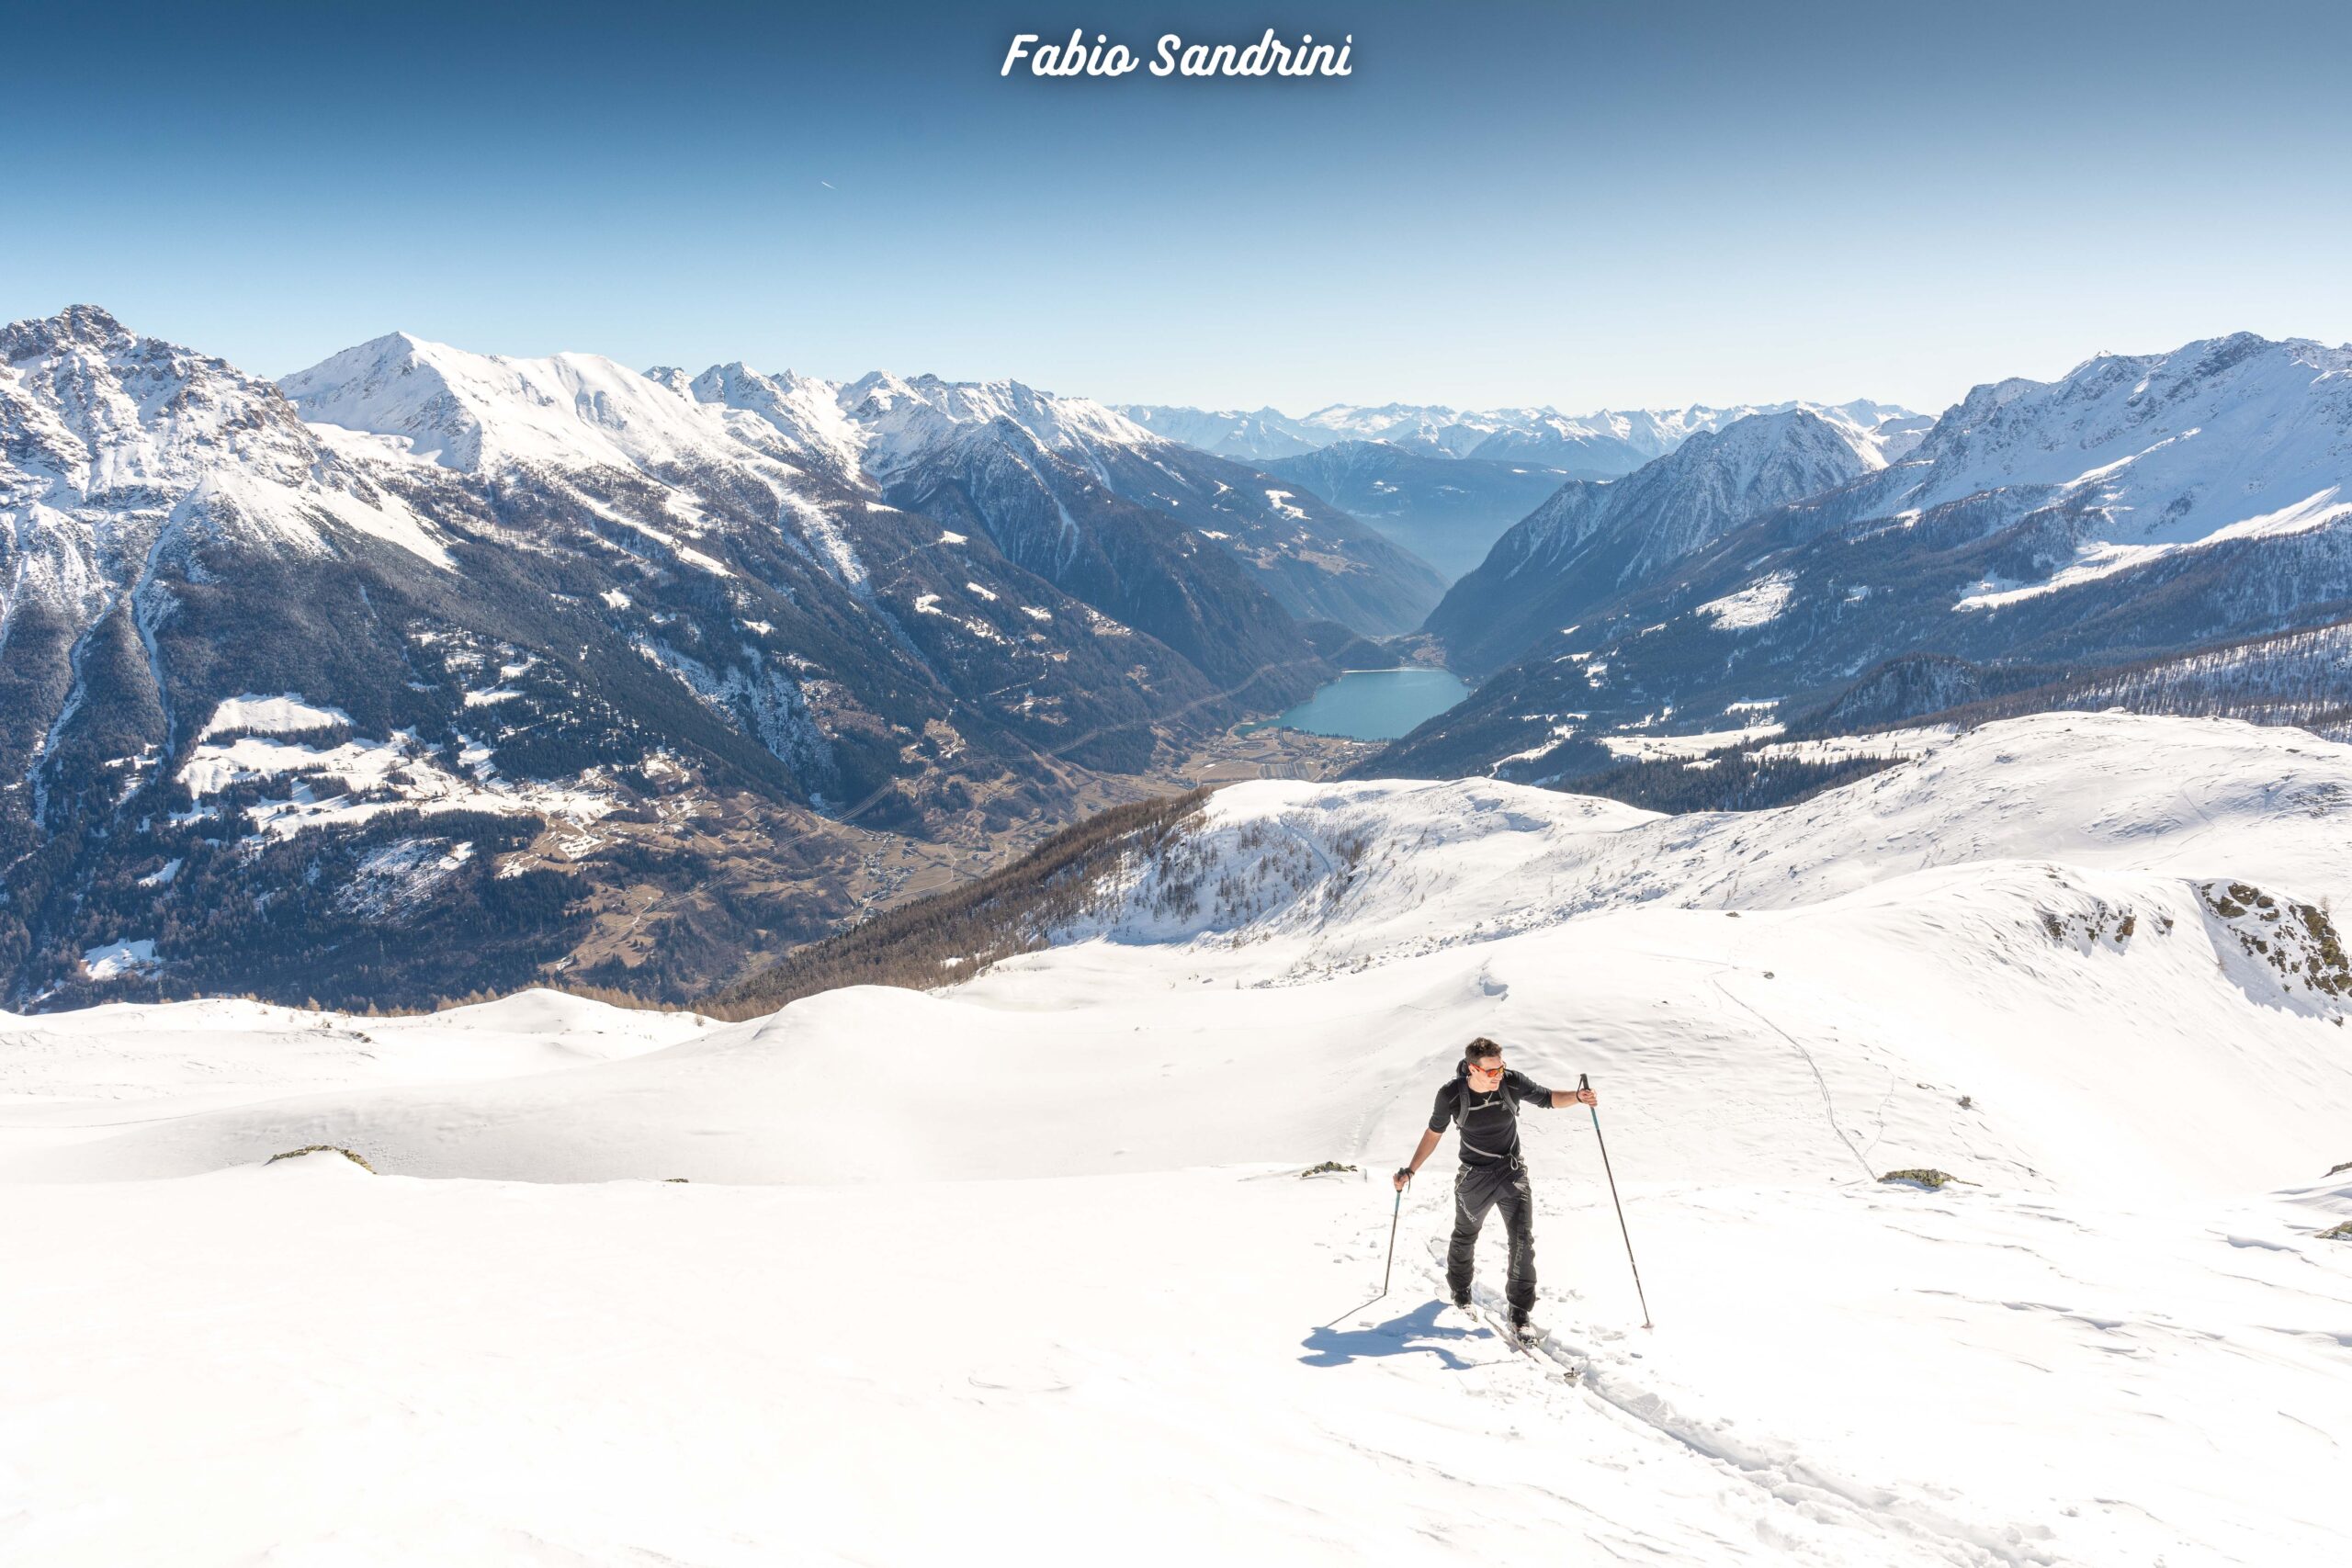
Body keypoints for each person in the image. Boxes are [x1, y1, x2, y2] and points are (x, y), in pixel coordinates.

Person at [1394, 1037, 1595, 1335]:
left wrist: (1578, 1097)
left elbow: (1547, 1098)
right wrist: (1411, 1170)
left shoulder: (1510, 1083)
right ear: (1472, 1069)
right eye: (1491, 1072)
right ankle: (1460, 1291)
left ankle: (1519, 1313)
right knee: (1466, 1234)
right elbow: (1434, 1133)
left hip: (1512, 1172)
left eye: (1501, 1068)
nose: (1498, 1075)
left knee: (1523, 1240)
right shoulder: (1451, 1095)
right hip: (1474, 1177)